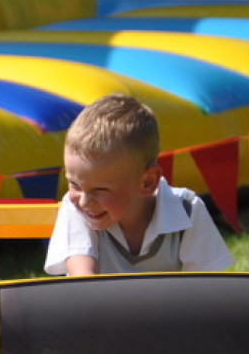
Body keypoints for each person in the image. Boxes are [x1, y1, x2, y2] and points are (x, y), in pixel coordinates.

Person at [44, 93, 234, 276]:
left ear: (147, 182)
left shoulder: (187, 209)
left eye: (100, 189)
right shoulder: (75, 209)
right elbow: (84, 281)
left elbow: (206, 288)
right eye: (75, 184)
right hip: (99, 308)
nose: (84, 201)